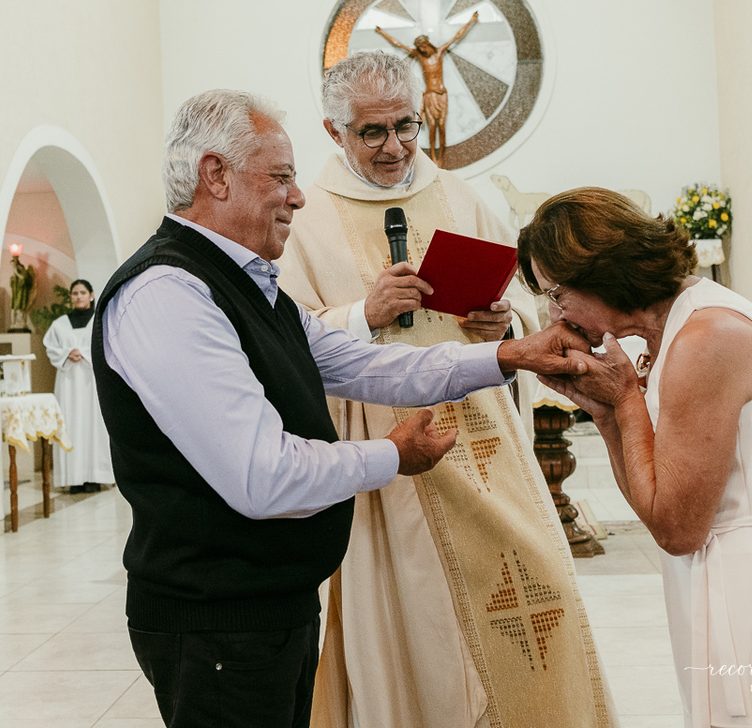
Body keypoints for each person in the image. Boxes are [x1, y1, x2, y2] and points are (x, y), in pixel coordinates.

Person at [90, 88, 591, 728]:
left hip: (272, 603)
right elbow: (262, 476)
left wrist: (509, 354)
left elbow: (368, 366)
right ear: (215, 175)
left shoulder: (247, 285)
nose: (298, 196)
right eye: (281, 177)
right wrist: (392, 456)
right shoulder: (169, 293)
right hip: (215, 619)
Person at [277, 52, 616, 728]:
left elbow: (524, 299)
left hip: (484, 437)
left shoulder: (459, 196)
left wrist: (503, 322)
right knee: (423, 613)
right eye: (372, 132)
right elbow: (285, 339)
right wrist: (363, 314)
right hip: (385, 446)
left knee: (537, 579)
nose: (395, 146)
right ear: (333, 131)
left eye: (405, 125)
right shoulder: (307, 221)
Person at [518, 188, 752, 728]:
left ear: (602, 273)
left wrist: (625, 399)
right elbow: (656, 504)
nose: (554, 314)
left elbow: (676, 529)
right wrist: (607, 411)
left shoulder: (706, 338)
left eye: (556, 293)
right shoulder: (674, 328)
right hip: (727, 569)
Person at [375, 11, 477, 168]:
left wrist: (471, 21)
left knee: (442, 126)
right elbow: (398, 44)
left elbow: (457, 36)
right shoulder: (419, 56)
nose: (422, 49)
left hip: (442, 94)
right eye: (419, 47)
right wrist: (382, 33)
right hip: (429, 95)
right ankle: (433, 157)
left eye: (423, 46)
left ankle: (441, 157)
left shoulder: (439, 52)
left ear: (428, 44)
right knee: (432, 127)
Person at [43, 278, 113, 494]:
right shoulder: (59, 324)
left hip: (92, 381)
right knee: (71, 423)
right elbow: (50, 348)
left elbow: (108, 345)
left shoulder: (99, 321)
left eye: (83, 292)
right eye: (75, 293)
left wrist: (85, 353)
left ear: (91, 295)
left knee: (93, 424)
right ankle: (74, 478)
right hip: (69, 383)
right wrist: (66, 353)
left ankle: (95, 476)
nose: (78, 296)